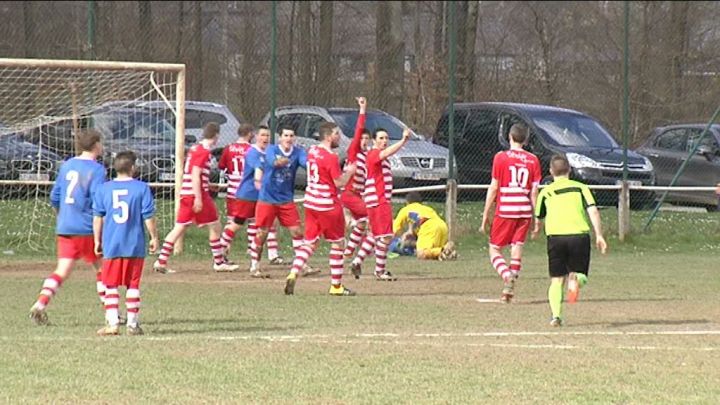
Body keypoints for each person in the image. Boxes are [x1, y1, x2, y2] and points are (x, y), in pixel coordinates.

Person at [29, 129, 107, 325]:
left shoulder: (67, 165)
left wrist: (62, 216)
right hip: (87, 227)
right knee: (102, 269)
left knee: (62, 270)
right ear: (96, 145)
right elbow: (99, 200)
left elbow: (55, 196)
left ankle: (40, 304)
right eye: (101, 143)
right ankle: (111, 312)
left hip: (65, 226)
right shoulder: (97, 170)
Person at [531, 155, 608, 326]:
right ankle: (576, 279)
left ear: (551, 172)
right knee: (581, 275)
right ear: (570, 170)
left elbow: (538, 217)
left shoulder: (546, 192)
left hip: (555, 238)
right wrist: (599, 235)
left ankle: (556, 316)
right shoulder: (581, 188)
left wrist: (536, 229)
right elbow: (593, 211)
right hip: (578, 236)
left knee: (557, 279)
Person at [153, 122, 239, 274]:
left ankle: (161, 261)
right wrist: (199, 198)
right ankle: (219, 262)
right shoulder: (204, 152)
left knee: (179, 227)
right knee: (215, 225)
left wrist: (209, 185)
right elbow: (195, 174)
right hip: (196, 194)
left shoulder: (194, 149)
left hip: (187, 193)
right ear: (216, 136)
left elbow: (195, 174)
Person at [284, 122, 357, 296]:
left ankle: (293, 272)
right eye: (337, 133)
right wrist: (350, 172)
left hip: (311, 202)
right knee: (338, 243)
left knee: (310, 242)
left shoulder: (312, 151)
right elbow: (339, 182)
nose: (339, 136)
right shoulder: (330, 156)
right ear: (328, 136)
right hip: (328, 204)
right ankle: (336, 286)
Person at [93, 151, 158, 336]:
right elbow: (148, 217)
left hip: (111, 244)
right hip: (134, 245)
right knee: (133, 285)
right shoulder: (141, 188)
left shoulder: (104, 189)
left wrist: (97, 239)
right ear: (133, 168)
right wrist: (154, 237)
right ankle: (132, 324)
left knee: (110, 284)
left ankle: (112, 323)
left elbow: (98, 217)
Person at [480, 123, 541, 303]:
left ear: (509, 137)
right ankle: (509, 289)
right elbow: (534, 191)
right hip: (524, 210)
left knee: (494, 249)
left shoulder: (501, 157)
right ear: (526, 139)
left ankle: (507, 276)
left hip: (506, 208)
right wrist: (537, 216)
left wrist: (485, 214)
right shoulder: (533, 160)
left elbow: (494, 187)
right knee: (517, 245)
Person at [217, 124, 284, 272]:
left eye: (267, 135)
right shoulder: (252, 152)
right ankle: (220, 252)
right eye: (262, 135)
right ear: (255, 136)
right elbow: (258, 168)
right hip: (247, 195)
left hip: (261, 196)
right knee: (237, 224)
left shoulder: (269, 151)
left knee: (264, 225)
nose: (265, 138)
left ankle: (258, 261)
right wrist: (259, 181)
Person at [252, 126, 308, 278]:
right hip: (267, 197)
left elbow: (306, 162)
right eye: (286, 135)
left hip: (285, 199)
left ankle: (301, 265)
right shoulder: (271, 149)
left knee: (297, 231)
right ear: (281, 138)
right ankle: (255, 265)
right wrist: (279, 161)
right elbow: (272, 162)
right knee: (262, 232)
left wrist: (315, 164)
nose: (289, 138)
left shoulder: (298, 152)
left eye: (291, 135)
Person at [362, 126, 411, 280]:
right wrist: (403, 141)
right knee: (386, 236)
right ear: (374, 140)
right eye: (381, 138)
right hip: (378, 199)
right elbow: (386, 152)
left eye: (386, 138)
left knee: (375, 234)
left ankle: (357, 261)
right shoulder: (374, 154)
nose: (384, 141)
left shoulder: (378, 157)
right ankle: (379, 270)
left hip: (377, 199)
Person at [339, 97, 376, 279]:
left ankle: (348, 252)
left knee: (362, 224)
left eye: (367, 139)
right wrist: (362, 110)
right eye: (362, 139)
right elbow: (358, 130)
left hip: (358, 196)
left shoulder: (367, 156)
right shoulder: (354, 152)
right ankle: (353, 255)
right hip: (349, 194)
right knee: (372, 219)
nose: (364, 141)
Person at [392, 192, 456, 261]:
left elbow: (394, 231)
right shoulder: (427, 209)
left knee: (421, 253)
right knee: (432, 251)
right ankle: (447, 249)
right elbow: (418, 221)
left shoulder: (405, 209)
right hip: (442, 225)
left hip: (428, 226)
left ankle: (442, 250)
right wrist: (411, 232)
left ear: (407, 202)